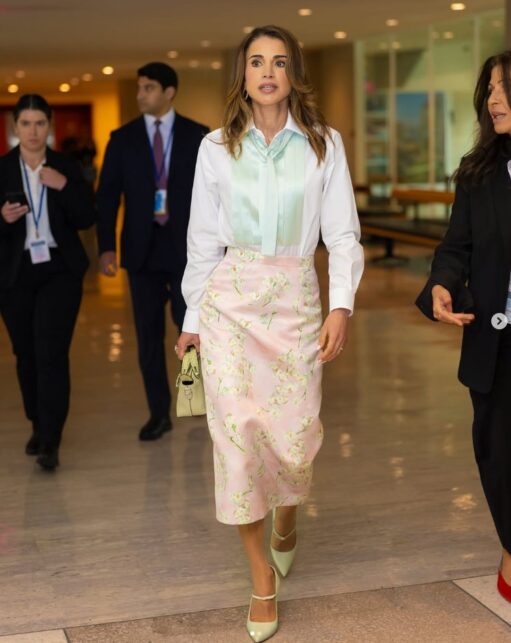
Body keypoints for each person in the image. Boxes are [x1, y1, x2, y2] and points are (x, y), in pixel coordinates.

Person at [177, 25, 364, 642]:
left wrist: (341, 306)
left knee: (294, 437)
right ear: (243, 74)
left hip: (296, 302)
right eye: (256, 62)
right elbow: (202, 242)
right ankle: (260, 576)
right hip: (229, 304)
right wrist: (192, 321)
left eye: (278, 62)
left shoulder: (324, 144)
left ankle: (287, 513)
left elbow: (342, 235)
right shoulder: (214, 148)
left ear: (293, 74)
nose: (266, 72)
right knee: (236, 441)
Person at [416, 50, 511, 604]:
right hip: (496, 341)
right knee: (497, 452)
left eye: (503, 87)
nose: (493, 98)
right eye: (490, 89)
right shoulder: (478, 173)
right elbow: (456, 247)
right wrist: (441, 286)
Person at [96, 62, 209, 441]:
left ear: (169, 92)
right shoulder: (122, 139)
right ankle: (158, 413)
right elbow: (107, 197)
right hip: (141, 250)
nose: (140, 94)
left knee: (189, 327)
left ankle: (192, 398)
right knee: (147, 335)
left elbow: (215, 196)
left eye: (148, 88)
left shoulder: (199, 136)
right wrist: (106, 248)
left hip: (186, 250)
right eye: (139, 88)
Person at [0, 94, 95, 470]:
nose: (33, 131)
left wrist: (64, 186)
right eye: (26, 124)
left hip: (60, 272)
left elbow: (87, 217)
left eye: (40, 123)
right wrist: (3, 218)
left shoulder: (66, 166)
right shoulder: (3, 169)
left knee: (51, 353)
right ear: (15, 127)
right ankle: (37, 424)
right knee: (25, 354)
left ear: (49, 126)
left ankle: (51, 440)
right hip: (15, 275)